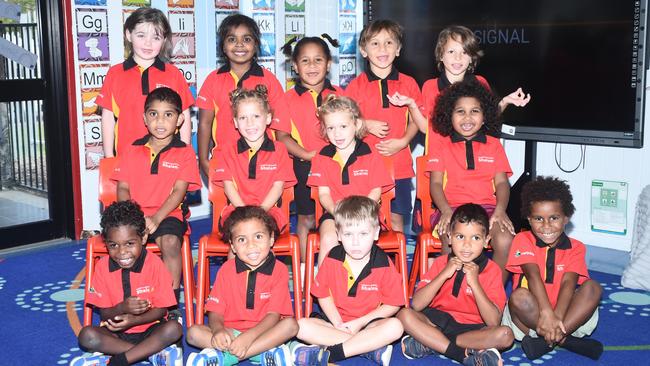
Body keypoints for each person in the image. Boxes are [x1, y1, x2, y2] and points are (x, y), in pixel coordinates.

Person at [112, 87, 201, 305]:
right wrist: (136, 217)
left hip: (167, 214)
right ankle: (124, 299)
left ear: (180, 119)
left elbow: (179, 192)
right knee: (121, 245)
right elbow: (123, 188)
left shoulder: (185, 152)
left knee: (171, 243)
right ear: (144, 118)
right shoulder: (132, 149)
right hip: (134, 214)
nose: (160, 121)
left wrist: (156, 219)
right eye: (153, 114)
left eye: (168, 115)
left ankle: (168, 306)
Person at [294, 196, 405, 366]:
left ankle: (333, 353)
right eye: (348, 234)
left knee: (396, 327)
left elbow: (393, 304)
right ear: (338, 235)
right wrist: (338, 322)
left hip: (369, 325)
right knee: (300, 326)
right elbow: (322, 295)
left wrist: (358, 323)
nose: (355, 242)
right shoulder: (332, 258)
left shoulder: (383, 263)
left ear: (375, 233)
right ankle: (368, 348)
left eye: (363, 234)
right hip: (335, 323)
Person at [397, 204, 513, 366]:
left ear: (486, 241)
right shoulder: (440, 263)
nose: (467, 245)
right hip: (438, 322)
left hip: (472, 329)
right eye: (460, 237)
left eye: (475, 238)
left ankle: (432, 342)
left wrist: (475, 283)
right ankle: (460, 353)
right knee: (403, 315)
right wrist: (444, 274)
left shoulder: (492, 270)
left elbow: (493, 321)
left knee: (505, 335)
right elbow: (416, 304)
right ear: (450, 237)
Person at [502, 176, 603, 360]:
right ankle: (564, 340)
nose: (546, 226)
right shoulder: (522, 240)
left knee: (593, 287)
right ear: (529, 219)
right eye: (538, 218)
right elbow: (533, 277)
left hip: (566, 317)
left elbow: (568, 283)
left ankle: (549, 339)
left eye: (554, 218)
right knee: (519, 297)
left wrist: (556, 317)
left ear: (566, 218)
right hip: (530, 318)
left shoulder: (577, 247)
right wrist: (547, 313)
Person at [72, 200, 182, 366]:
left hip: (150, 329)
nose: (122, 252)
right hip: (117, 334)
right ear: (106, 243)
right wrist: (122, 308)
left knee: (174, 329)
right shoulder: (102, 267)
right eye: (113, 245)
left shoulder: (155, 264)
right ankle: (150, 354)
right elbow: (104, 314)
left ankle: (122, 359)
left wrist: (134, 320)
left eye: (130, 244)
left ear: (143, 238)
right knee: (86, 335)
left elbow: (161, 311)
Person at [186, 206, 298, 366]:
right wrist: (218, 330)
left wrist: (248, 338)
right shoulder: (226, 269)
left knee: (291, 326)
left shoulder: (279, 270)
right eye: (242, 240)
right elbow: (215, 311)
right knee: (192, 333)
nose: (251, 245)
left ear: (271, 239)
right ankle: (267, 354)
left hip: (265, 332)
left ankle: (226, 359)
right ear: (232, 246)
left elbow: (274, 315)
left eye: (258, 236)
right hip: (232, 333)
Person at [427, 80, 514, 283]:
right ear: (449, 116)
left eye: (474, 111)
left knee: (506, 239)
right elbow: (436, 184)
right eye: (460, 111)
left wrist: (500, 210)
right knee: (450, 238)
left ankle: (492, 294)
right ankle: (448, 294)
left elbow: (502, 183)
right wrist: (446, 210)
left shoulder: (494, 146)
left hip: (488, 209)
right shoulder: (441, 146)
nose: (467, 117)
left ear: (485, 117)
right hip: (451, 208)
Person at [344, 19, 427, 232]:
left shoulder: (408, 83)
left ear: (398, 49)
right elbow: (345, 123)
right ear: (363, 50)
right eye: (375, 44)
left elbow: (417, 121)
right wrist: (365, 124)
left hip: (399, 165)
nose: (383, 49)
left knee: (396, 222)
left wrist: (403, 141)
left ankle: (394, 266)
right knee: (364, 221)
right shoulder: (355, 87)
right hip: (364, 166)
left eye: (389, 43)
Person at [196, 13, 293, 178]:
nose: (239, 45)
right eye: (232, 39)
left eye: (247, 39)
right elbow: (204, 123)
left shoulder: (269, 80)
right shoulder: (213, 80)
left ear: (256, 45)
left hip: (265, 163)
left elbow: (280, 129)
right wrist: (204, 160)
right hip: (223, 162)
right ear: (223, 47)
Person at [306, 95, 393, 265]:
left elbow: (376, 191)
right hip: (334, 215)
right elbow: (323, 194)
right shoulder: (321, 157)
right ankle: (325, 287)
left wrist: (359, 214)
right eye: (331, 128)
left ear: (357, 124)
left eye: (343, 126)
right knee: (329, 238)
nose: (337, 133)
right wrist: (338, 213)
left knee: (361, 241)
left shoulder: (371, 154)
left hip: (366, 215)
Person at [419, 25, 530, 155]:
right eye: (451, 52)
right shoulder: (430, 86)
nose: (458, 57)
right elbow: (425, 127)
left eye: (464, 52)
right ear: (441, 56)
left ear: (471, 58)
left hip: (472, 160)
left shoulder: (480, 82)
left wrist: (505, 101)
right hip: (439, 162)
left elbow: (489, 118)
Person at [98, 7, 194, 157]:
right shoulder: (115, 73)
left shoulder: (173, 74)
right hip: (127, 158)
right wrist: (109, 156)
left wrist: (185, 154)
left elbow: (185, 116)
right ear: (129, 35)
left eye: (156, 38)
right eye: (141, 35)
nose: (148, 44)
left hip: (168, 158)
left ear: (164, 40)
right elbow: (108, 117)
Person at [281, 35, 343, 264]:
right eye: (305, 61)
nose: (312, 66)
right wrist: (307, 155)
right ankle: (305, 269)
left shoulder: (340, 95)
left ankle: (339, 265)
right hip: (303, 166)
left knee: (338, 215)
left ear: (328, 64)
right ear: (295, 66)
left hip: (337, 167)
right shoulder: (286, 99)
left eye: (318, 60)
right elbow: (282, 137)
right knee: (306, 218)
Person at [211, 86, 296, 232]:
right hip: (237, 209)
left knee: (261, 233)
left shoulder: (279, 150)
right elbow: (228, 186)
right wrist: (244, 213)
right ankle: (234, 255)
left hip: (268, 211)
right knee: (239, 234)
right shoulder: (227, 150)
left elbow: (278, 187)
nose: (250, 123)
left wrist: (260, 212)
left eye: (256, 116)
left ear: (268, 118)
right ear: (236, 123)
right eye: (243, 118)